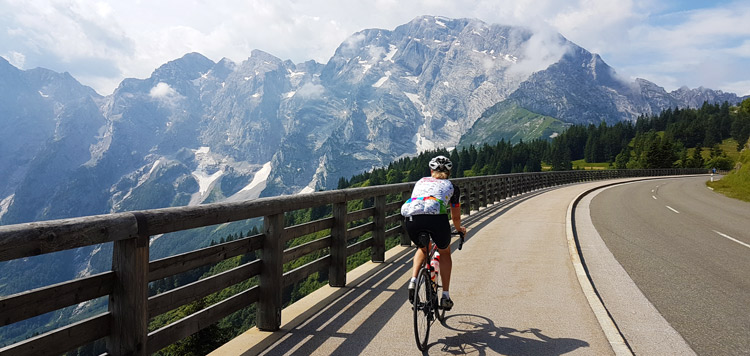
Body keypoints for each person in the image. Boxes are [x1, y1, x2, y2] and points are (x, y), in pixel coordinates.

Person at [401, 155, 467, 310]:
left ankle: (414, 280)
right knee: (444, 252)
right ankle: (445, 296)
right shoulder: (452, 187)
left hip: (412, 219)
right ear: (449, 172)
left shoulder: (420, 182)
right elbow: (455, 216)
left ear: (431, 170)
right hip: (436, 220)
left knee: (423, 248)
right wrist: (460, 230)